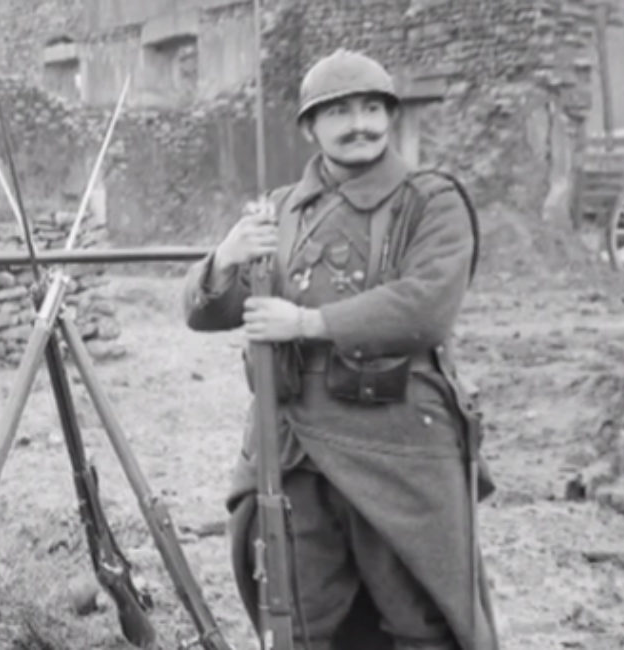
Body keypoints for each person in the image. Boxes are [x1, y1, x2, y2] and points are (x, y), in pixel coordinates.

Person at [182, 49, 499, 650]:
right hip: (292, 448)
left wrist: (305, 322)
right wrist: (226, 256)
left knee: (420, 621)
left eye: (373, 107)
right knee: (300, 622)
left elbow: (425, 307)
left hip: (398, 444)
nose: (361, 123)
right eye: (341, 112)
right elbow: (206, 313)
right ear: (310, 127)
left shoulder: (430, 201)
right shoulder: (278, 209)